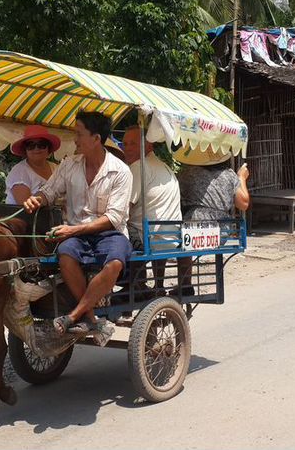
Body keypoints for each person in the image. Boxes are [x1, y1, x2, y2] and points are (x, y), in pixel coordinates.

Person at [22, 111, 132, 335]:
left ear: (96, 139)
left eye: (79, 134)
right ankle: (91, 316)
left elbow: (113, 218)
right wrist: (37, 200)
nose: (75, 139)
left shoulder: (120, 171)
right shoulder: (69, 165)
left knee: (115, 263)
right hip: (77, 236)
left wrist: (73, 229)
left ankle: (74, 315)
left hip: (110, 234)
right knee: (65, 254)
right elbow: (49, 192)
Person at [122, 125, 188, 295]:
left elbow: (123, 209)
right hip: (169, 237)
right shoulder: (163, 166)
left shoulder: (139, 166)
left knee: (113, 231)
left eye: (133, 144)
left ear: (148, 145)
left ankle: (134, 286)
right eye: (125, 144)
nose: (127, 148)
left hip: (149, 238)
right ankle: (153, 286)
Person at [178, 159, 250, 221]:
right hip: (221, 226)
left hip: (192, 223)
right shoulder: (228, 175)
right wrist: (241, 177)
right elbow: (243, 204)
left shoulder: (186, 173)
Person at [5, 126, 61, 205]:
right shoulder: (20, 171)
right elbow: (26, 207)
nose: (36, 148)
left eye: (41, 144)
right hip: (24, 217)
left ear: (48, 148)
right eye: (30, 145)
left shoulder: (56, 168)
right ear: (25, 150)